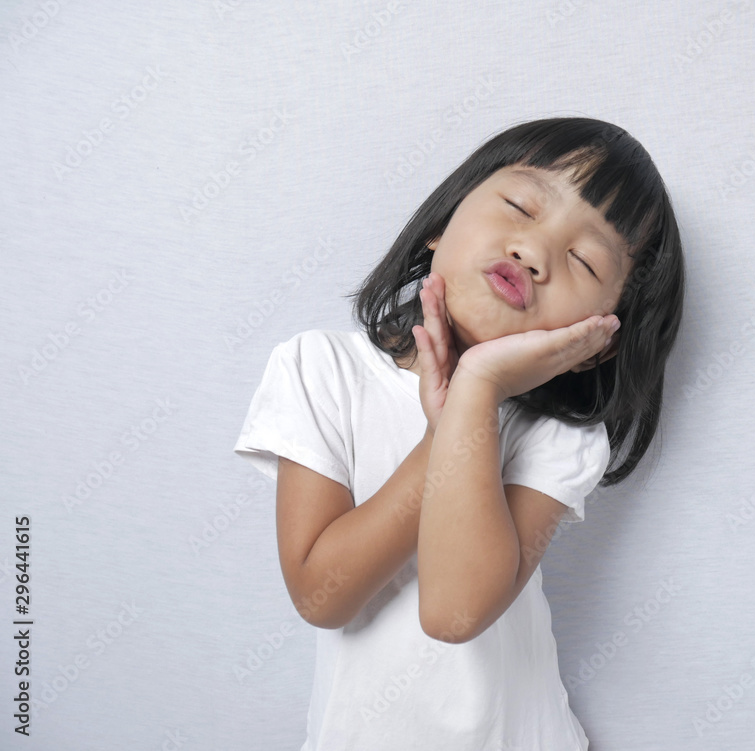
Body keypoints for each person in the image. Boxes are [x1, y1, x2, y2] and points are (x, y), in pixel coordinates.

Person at [233, 116, 684, 750]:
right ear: (441, 225)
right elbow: (320, 596)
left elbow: (455, 612)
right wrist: (444, 430)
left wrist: (478, 389)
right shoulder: (320, 370)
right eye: (520, 206)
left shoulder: (559, 437)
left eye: (583, 259)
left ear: (595, 343)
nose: (534, 252)